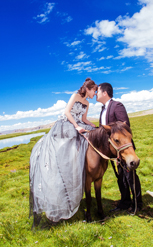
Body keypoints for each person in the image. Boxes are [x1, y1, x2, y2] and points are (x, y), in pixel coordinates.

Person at [29, 78, 97, 223]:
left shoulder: (88, 103)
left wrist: (92, 124)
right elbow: (67, 112)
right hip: (67, 124)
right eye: (94, 90)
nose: (95, 93)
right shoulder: (75, 96)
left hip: (79, 123)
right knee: (68, 150)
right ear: (88, 89)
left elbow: (84, 118)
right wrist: (76, 126)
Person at [96, 82, 142, 213]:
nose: (96, 94)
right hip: (113, 149)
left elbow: (124, 127)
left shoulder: (117, 105)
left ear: (105, 93)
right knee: (120, 177)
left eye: (98, 91)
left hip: (123, 149)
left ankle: (137, 204)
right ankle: (124, 202)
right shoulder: (103, 110)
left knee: (130, 176)